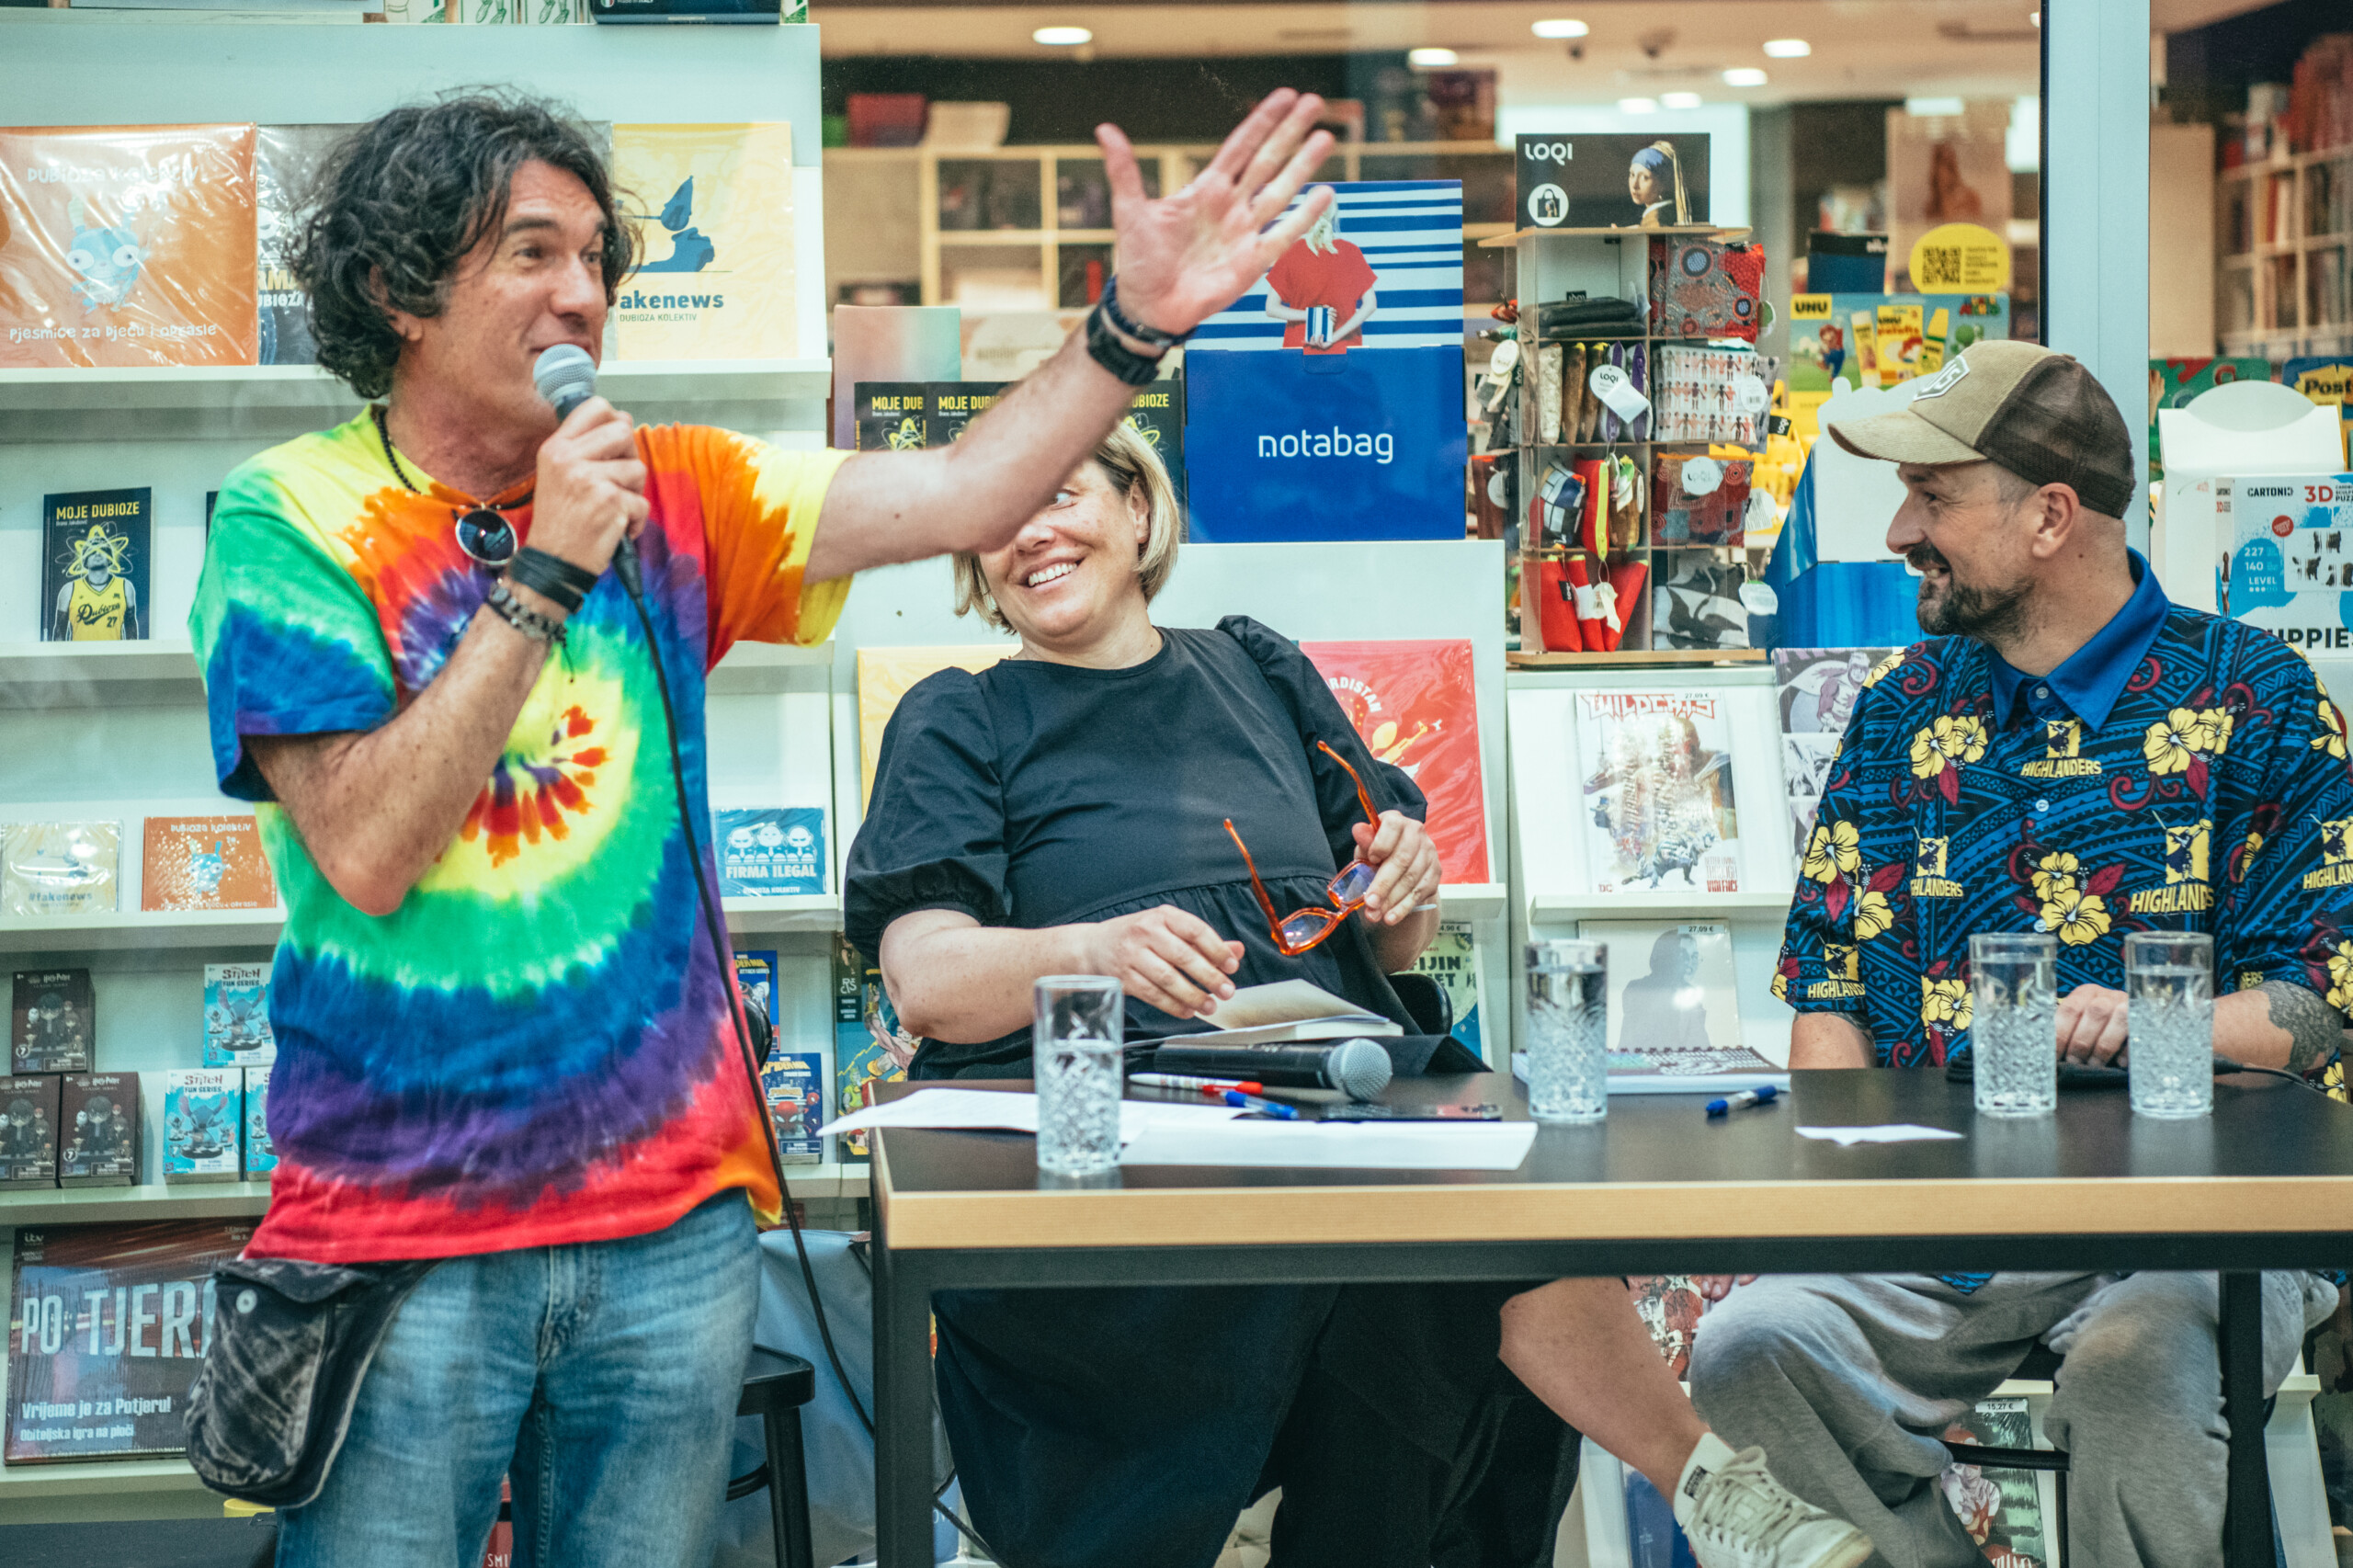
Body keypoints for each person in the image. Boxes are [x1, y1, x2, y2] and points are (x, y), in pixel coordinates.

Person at [186, 85, 1339, 1568]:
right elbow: (365, 844)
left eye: (597, 257)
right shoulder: (286, 517)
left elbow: (961, 489)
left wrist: (1130, 327)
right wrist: (545, 571)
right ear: (395, 288)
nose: (582, 294)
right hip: (404, 1226)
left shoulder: (676, 489)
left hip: (670, 1228)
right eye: (532, 253)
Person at [846, 424, 1870, 1568]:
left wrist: (1405, 879)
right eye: (996, 518)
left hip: (1321, 1095)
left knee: (1464, 1199)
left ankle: (1712, 1494)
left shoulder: (1256, 672)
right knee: (1407, 1228)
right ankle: (1701, 1490)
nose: (1029, 534)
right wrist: (1087, 950)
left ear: (1137, 509)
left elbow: (1387, 937)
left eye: (1058, 494)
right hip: (1104, 1155)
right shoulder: (959, 718)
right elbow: (924, 980)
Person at [1691, 339, 2353, 1568]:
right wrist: (1830, 1209)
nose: (1900, 530)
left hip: (2205, 1227)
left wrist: (2149, 1024)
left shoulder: (2259, 695)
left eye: (1932, 497)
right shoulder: (1900, 707)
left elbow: (2321, 1004)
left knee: (2133, 1371)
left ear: (2051, 516)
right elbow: (1832, 986)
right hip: (1953, 1227)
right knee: (1747, 1347)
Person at [1262, 206, 1377, 353]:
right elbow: (1370, 305)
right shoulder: (1351, 252)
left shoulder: (1291, 253)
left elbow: (1271, 308)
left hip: (1299, 349)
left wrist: (1311, 315)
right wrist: (1333, 337)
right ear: (1334, 215)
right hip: (1344, 349)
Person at [1629, 141, 1688, 227]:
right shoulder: (1657, 213)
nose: (1634, 185)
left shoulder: (1658, 217)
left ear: (1662, 183)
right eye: (1632, 175)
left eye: (1645, 177)